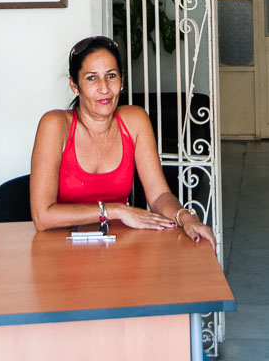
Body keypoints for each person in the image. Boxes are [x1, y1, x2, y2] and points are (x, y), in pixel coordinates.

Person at [30, 35, 216, 250]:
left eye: (111, 76)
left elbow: (159, 195)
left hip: (119, 245)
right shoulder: (55, 125)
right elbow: (42, 216)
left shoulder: (135, 120)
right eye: (91, 78)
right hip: (59, 249)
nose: (104, 88)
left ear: (122, 79)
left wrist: (185, 217)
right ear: (74, 85)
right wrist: (117, 210)